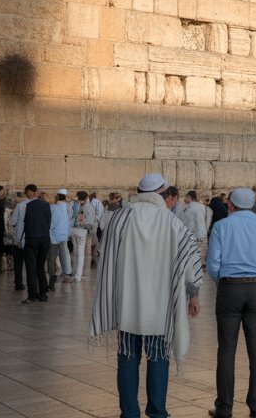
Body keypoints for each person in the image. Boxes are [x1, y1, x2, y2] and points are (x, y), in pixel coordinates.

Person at [91, 173, 202, 418]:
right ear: (163, 194)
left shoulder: (120, 218)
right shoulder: (171, 221)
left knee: (128, 360)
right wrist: (193, 293)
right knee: (158, 359)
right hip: (159, 308)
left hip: (127, 305)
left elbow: (103, 253)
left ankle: (129, 413)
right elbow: (190, 260)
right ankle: (157, 412)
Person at [207, 188, 256, 418]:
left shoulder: (221, 226)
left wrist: (224, 284)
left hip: (230, 287)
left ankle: (224, 407)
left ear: (230, 204)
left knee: (227, 350)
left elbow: (212, 265)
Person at [19, 184, 52, 303]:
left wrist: (19, 239)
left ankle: (32, 295)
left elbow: (24, 223)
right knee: (40, 267)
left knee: (31, 268)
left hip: (31, 240)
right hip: (44, 239)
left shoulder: (27, 206)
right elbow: (49, 221)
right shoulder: (46, 205)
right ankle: (43, 293)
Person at [180, 190, 212, 263]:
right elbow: (207, 222)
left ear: (188, 197)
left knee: (194, 264)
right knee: (202, 263)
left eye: (185, 197)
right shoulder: (205, 208)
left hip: (195, 239)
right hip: (203, 237)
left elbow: (190, 226)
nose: (184, 199)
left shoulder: (190, 208)